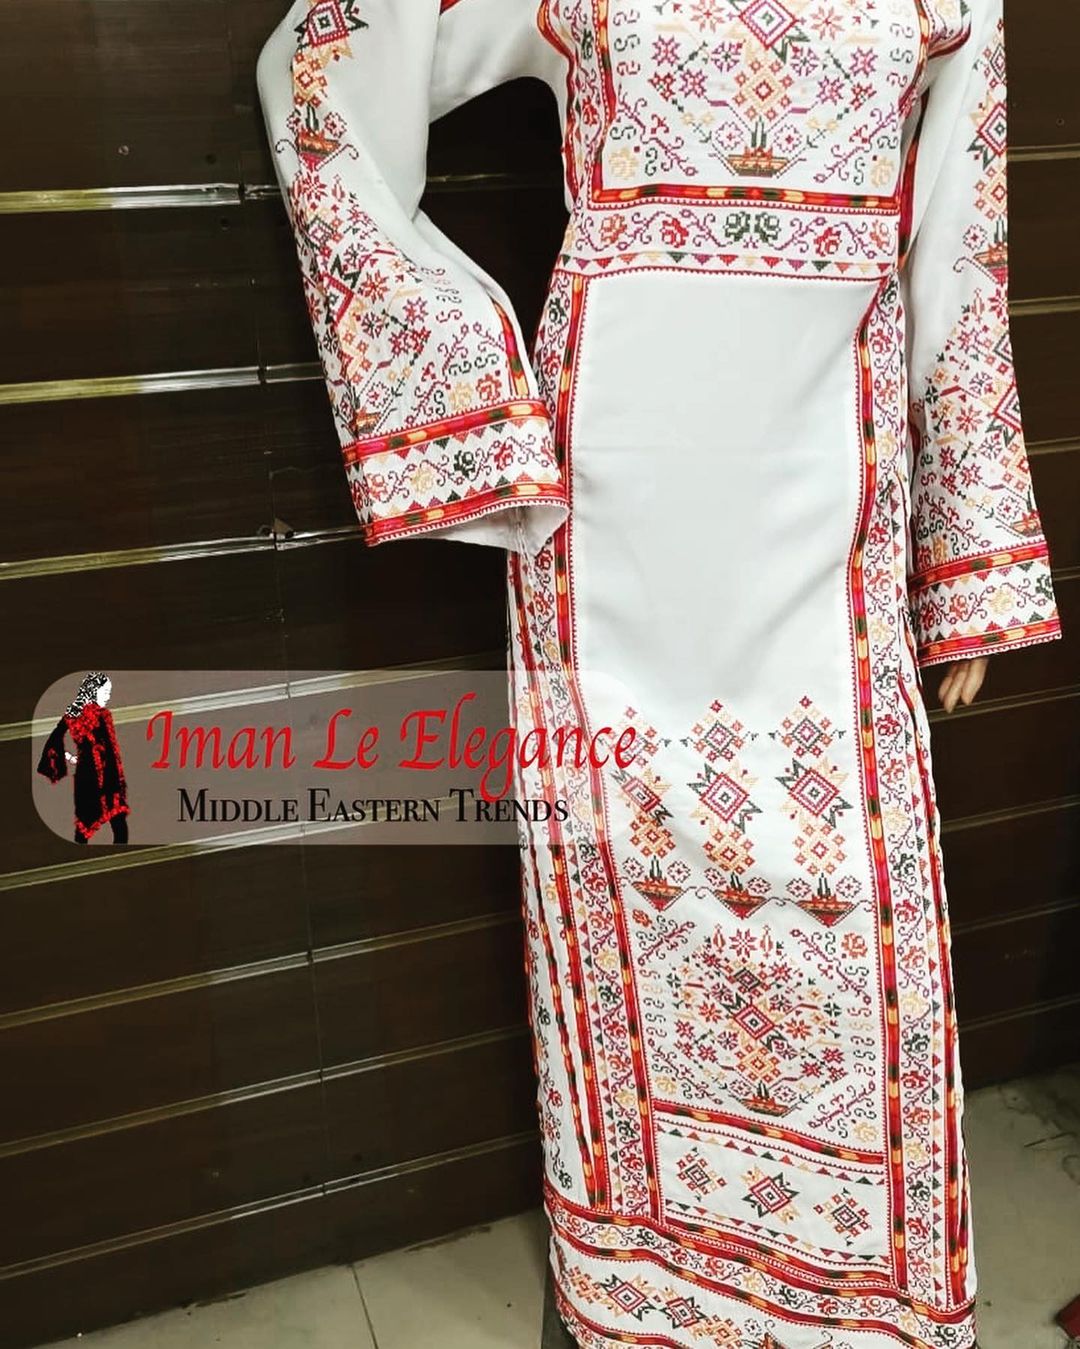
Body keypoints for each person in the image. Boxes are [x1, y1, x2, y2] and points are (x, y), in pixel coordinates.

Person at [256, 3, 1063, 1345]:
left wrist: (964, 555)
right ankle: (640, 1285)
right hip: (608, 524)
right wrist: (461, 389)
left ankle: (853, 1304)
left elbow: (960, 261)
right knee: (624, 882)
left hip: (831, 517)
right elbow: (325, 62)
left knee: (854, 891)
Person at [37, 672, 129, 845]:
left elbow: (55, 738)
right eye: (105, 692)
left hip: (86, 775)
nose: (108, 696)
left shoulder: (73, 713)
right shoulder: (103, 715)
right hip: (105, 776)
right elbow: (112, 751)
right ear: (94, 691)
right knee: (117, 823)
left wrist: (69, 758)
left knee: (86, 825)